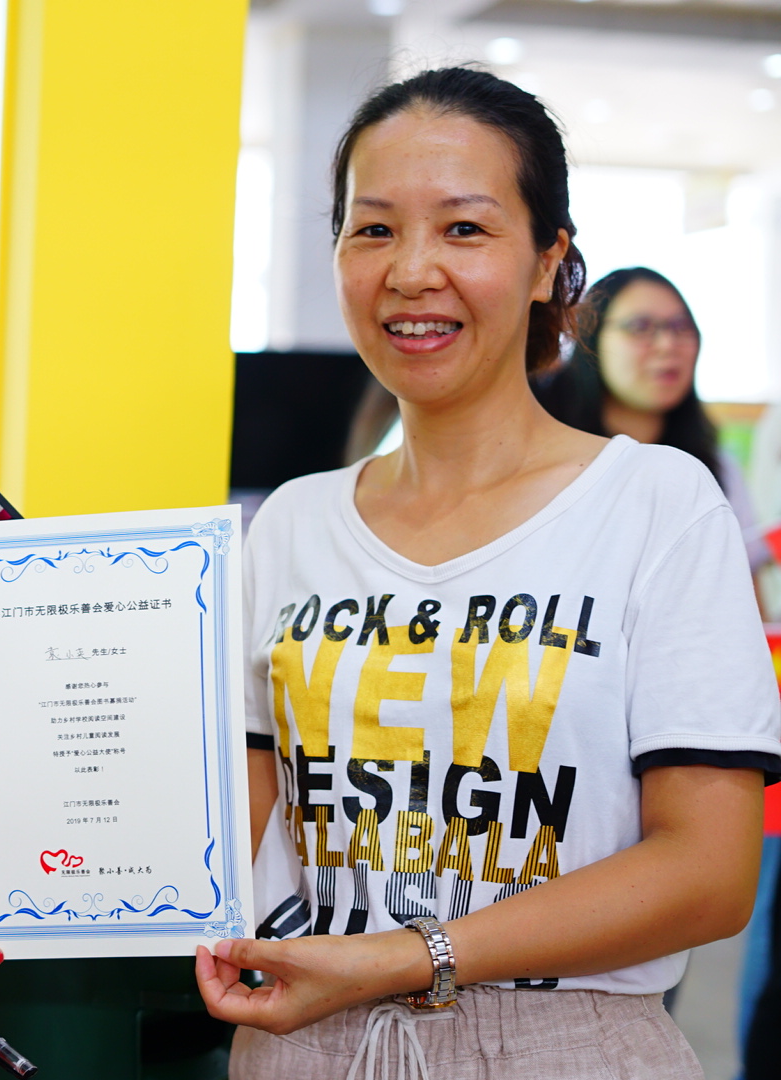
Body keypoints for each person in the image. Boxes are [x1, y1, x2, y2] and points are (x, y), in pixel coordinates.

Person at [195, 67, 780, 1078]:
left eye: (463, 228)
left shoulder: (658, 504)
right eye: (373, 229)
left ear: (550, 262)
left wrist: (406, 956)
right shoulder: (290, 524)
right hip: (303, 1048)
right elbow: (226, 840)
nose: (411, 269)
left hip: (567, 1049)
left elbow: (708, 871)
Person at [536, 266, 770, 573]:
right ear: (591, 336)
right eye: (640, 327)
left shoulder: (716, 470)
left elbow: (745, 588)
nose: (668, 344)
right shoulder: (541, 457)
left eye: (681, 327)